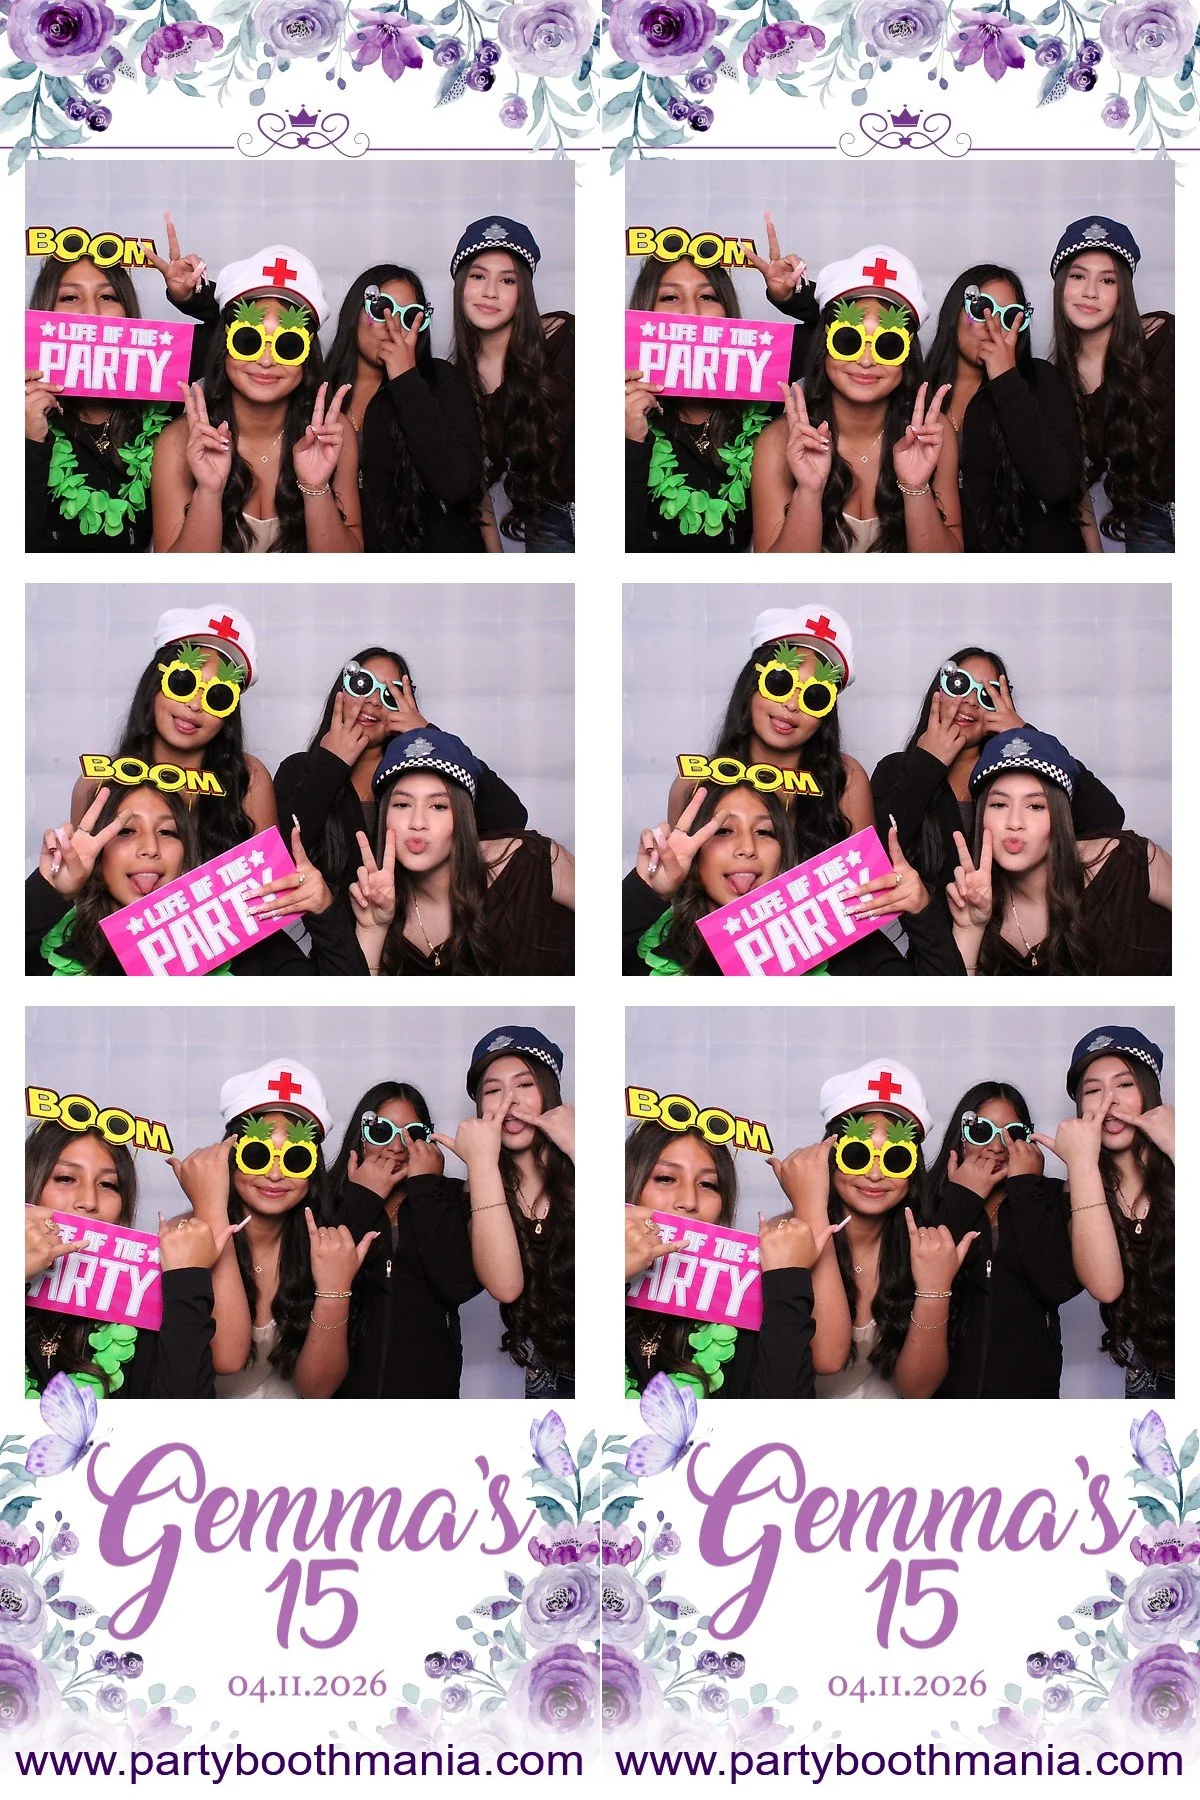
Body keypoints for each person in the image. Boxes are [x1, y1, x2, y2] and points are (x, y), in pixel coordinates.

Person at [169, 1062, 370, 1398]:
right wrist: (211, 1209)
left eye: (295, 1159)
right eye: (257, 1154)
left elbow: (317, 1390)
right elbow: (225, 1359)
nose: (275, 1175)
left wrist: (334, 1290)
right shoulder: (181, 1238)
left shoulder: (324, 1249)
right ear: (229, 1157)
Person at [623, 783, 963, 976]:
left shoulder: (837, 936)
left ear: (785, 851)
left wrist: (921, 910)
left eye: (765, 832)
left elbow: (942, 1005)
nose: (747, 848)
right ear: (697, 850)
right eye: (724, 831)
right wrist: (648, 890)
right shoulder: (652, 945)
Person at [780, 1061, 973, 1398]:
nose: (874, 1175)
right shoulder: (781, 1239)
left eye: (895, 1159)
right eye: (857, 1155)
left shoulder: (922, 1249)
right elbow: (826, 1359)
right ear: (829, 1157)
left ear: (912, 1170)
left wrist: (934, 1288)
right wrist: (810, 1210)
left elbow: (917, 1390)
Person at [871, 646, 1125, 901]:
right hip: (921, 923)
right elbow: (872, 859)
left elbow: (1107, 819)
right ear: (938, 692)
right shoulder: (895, 769)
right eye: (959, 685)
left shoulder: (1015, 776)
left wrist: (1027, 735)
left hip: (1004, 922)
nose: (971, 701)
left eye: (986, 695)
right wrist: (926, 766)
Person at [27, 784, 364, 977]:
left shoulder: (241, 936)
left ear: (187, 853)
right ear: (100, 851)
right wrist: (50, 889)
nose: (150, 848)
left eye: (168, 832)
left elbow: (346, 1004)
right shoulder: (53, 945)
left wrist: (324, 911)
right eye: (127, 831)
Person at [151, 245, 361, 553]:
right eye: (248, 340)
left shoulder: (331, 435)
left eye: (288, 345)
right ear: (224, 345)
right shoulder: (179, 442)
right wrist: (209, 492)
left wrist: (316, 489)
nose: (265, 361)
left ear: (307, 358)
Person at [751, 246, 961, 553]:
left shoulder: (932, 435)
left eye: (888, 345)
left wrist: (916, 489)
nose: (865, 361)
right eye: (848, 340)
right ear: (824, 346)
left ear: (907, 358)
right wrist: (809, 492)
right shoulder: (779, 442)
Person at [274, 646, 526, 900]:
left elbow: (510, 818)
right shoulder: (298, 769)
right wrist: (329, 766)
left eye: (389, 695)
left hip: (408, 921)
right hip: (326, 921)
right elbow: (276, 859)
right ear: (341, 692)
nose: (373, 701)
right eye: (362, 685)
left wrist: (430, 735)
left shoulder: (418, 776)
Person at [624, 1122, 834, 1398]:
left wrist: (787, 1280)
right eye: (665, 1178)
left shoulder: (747, 1298)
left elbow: (784, 1412)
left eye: (708, 1184)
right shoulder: (576, 1281)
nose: (689, 1201)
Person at [24, 1120, 230, 1398]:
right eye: (65, 1178)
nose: (89, 1201)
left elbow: (184, 1412)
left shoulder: (146, 1299)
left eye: (107, 1184)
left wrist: (187, 1280)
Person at [948, 728, 1171, 974]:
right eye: (999, 804)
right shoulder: (975, 901)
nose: (1014, 822)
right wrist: (969, 930)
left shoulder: (1126, 862)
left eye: (1035, 806)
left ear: (1061, 817)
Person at [351, 730, 573, 975]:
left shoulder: (529, 862)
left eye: (438, 806)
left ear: (464, 816)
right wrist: (372, 930)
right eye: (402, 804)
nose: (417, 822)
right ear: (384, 816)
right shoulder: (378, 902)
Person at [69, 607, 277, 861]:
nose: (195, 705)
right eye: (183, 683)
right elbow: (79, 879)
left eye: (218, 696)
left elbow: (272, 874)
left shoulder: (248, 779)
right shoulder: (97, 781)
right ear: (154, 685)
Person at [439, 1029, 574, 1397]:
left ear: (550, 1092)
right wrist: (481, 1164)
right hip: (548, 1381)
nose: (509, 1101)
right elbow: (506, 1286)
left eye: (525, 1085)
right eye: (493, 1091)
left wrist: (579, 1149)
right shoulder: (481, 1188)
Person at [326, 1083, 481, 1398]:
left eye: (412, 1134)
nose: (397, 1147)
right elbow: (315, 1281)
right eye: (381, 1131)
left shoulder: (450, 1196)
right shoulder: (327, 1197)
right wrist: (362, 1198)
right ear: (361, 1136)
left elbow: (458, 1286)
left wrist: (425, 1187)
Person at [1042, 1028, 1174, 1398]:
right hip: (1150, 1385)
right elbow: (1105, 1285)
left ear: (1150, 1092)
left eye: (1125, 1084)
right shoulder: (1081, 1187)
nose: (1109, 1101)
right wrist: (1081, 1164)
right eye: (1093, 1090)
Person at [665, 607, 873, 842]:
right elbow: (677, 864)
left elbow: (868, 864)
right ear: (751, 685)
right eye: (779, 683)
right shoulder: (693, 782)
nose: (792, 705)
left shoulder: (845, 779)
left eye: (815, 696)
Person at [926, 1083, 1080, 1397]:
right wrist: (962, 1199)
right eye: (982, 1131)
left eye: (1013, 1133)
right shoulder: (928, 1197)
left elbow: (1057, 1286)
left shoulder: (1049, 1196)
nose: (997, 1147)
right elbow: (918, 1282)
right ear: (961, 1136)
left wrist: (1025, 1187)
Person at [325, 263, 487, 552]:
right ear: (355, 311)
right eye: (381, 309)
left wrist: (406, 380)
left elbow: (458, 484)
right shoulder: (321, 394)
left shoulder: (441, 380)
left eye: (410, 316)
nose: (394, 325)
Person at [925, 264, 1085, 552]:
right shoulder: (921, 393)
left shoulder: (1041, 380)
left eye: (1009, 316)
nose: (994, 325)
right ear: (955, 311)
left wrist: (1006, 380)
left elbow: (1058, 484)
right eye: (981, 308)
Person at [26, 253, 172, 553]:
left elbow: (229, 351)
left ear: (127, 312)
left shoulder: (166, 409)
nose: (92, 312)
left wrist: (193, 298)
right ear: (45, 309)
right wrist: (29, 442)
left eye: (108, 296)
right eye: (69, 297)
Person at [1049, 216, 1173, 553]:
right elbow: (1075, 482)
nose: (1090, 292)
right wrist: (1096, 558)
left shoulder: (1166, 339)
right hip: (1148, 523)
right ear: (1060, 285)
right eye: (1078, 276)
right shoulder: (1057, 381)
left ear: (1123, 294)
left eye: (1107, 280)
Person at [451, 217, 573, 552]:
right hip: (547, 524)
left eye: (507, 280)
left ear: (523, 293)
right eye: (478, 276)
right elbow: (474, 482)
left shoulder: (565, 339)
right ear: (461, 285)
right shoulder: (458, 381)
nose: (490, 292)